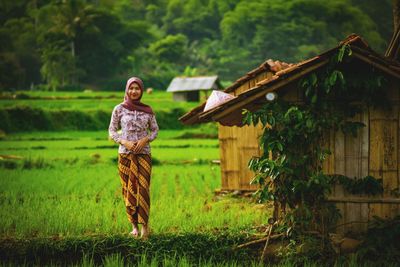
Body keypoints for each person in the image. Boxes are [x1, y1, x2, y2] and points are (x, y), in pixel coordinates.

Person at [108, 77, 159, 239]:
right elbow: (112, 131)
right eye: (131, 88)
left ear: (142, 91)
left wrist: (146, 139)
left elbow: (155, 130)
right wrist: (124, 142)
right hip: (125, 154)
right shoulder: (119, 109)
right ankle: (134, 227)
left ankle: (145, 227)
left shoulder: (148, 110)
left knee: (143, 189)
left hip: (144, 154)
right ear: (127, 90)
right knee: (129, 189)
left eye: (137, 88)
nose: (134, 91)